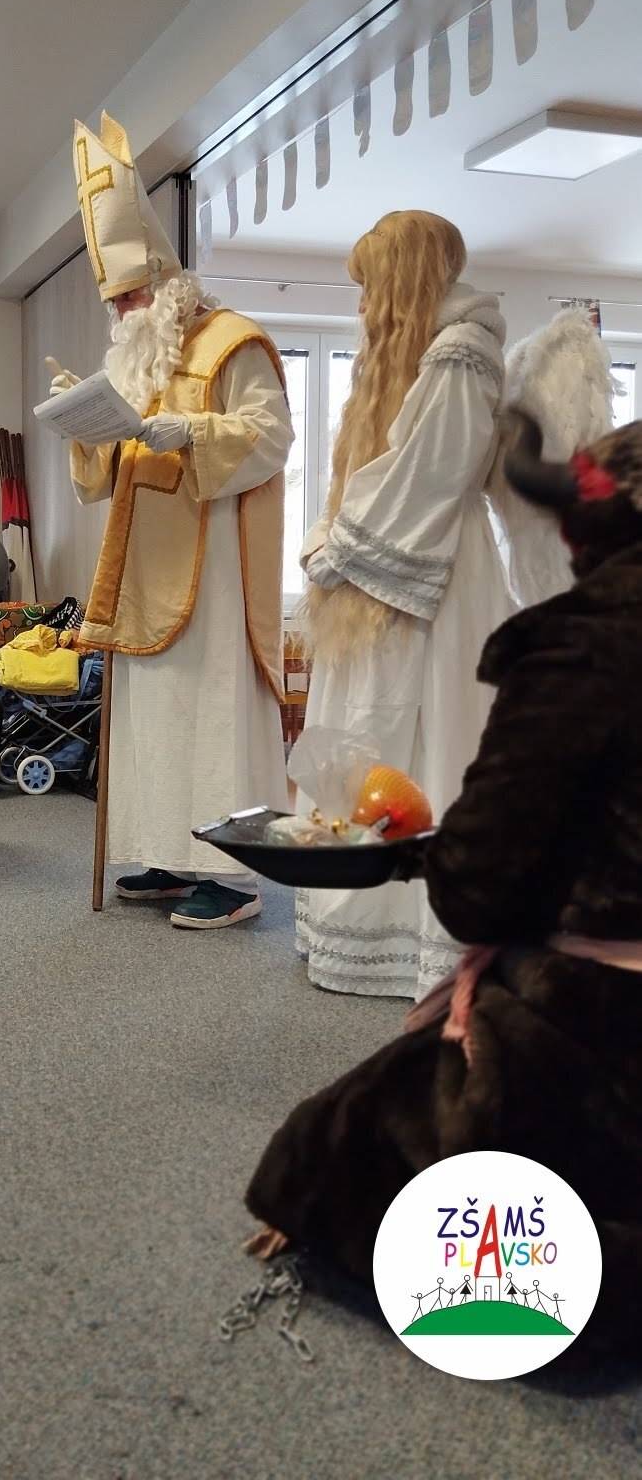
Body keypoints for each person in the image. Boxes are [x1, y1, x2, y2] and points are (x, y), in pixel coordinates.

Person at [244, 415, 642, 1359]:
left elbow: (480, 889)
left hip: (606, 1010)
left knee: (339, 1142)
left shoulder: (581, 648)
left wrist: (435, 852)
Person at [48, 111, 293, 929]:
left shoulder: (234, 343)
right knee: (152, 719)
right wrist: (83, 425)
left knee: (210, 715)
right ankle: (164, 851)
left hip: (213, 572)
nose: (121, 312)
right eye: (114, 302)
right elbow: (106, 474)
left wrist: (190, 432)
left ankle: (230, 875)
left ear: (165, 282)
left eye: (129, 296)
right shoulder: (136, 356)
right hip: (139, 571)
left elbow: (270, 438)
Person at [295, 211, 516, 999]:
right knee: (370, 728)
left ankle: (418, 936)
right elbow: (383, 470)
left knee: (421, 736)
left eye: (368, 288)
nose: (361, 307)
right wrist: (327, 537)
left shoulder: (461, 352)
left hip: (430, 574)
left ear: (399, 281)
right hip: (391, 569)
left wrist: (337, 551)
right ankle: (353, 916)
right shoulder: (432, 350)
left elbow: (429, 474)